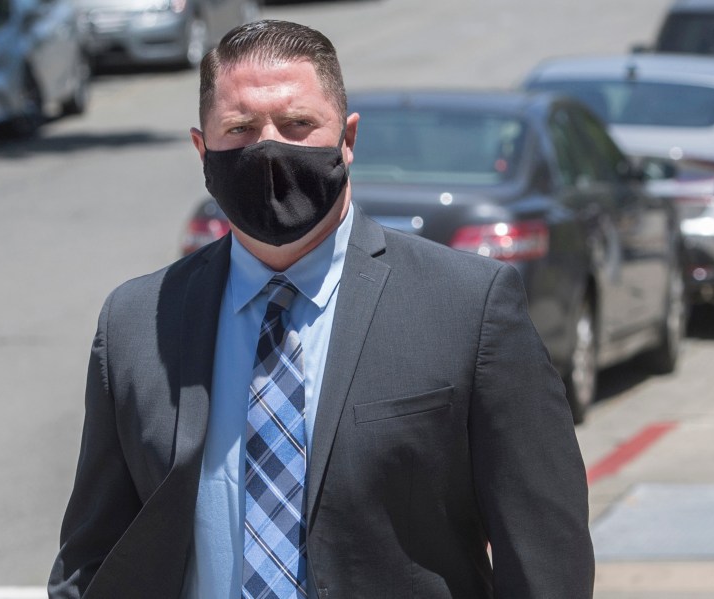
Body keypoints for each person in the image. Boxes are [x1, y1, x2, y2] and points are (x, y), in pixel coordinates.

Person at [49, 19, 594, 599]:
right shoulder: (137, 322)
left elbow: (544, 555)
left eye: (297, 124)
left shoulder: (470, 307)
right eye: (240, 128)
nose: (267, 148)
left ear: (348, 139)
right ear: (201, 148)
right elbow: (94, 560)